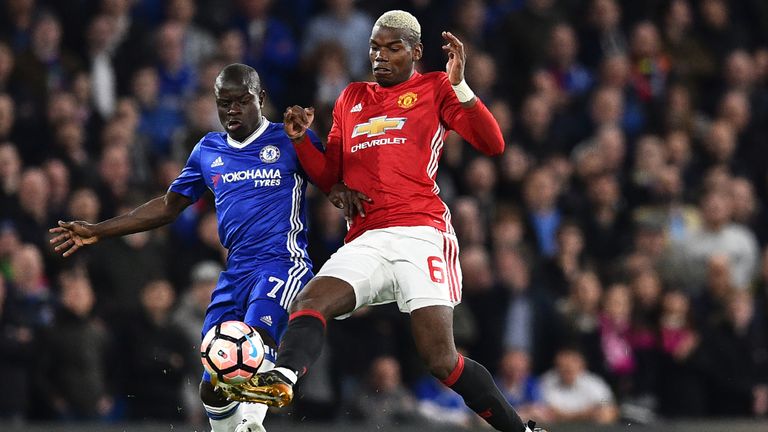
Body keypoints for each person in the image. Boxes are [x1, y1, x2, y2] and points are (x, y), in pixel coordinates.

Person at [227, 10, 545, 432]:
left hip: (422, 233)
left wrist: (460, 85)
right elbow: (330, 175)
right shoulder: (351, 98)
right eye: (375, 47)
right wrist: (302, 140)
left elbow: (493, 143)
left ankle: (520, 430)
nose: (380, 56)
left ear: (416, 52)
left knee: (440, 360)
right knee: (310, 300)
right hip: (366, 236)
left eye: (393, 47)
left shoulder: (435, 88)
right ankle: (281, 380)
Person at [49, 63, 337, 432]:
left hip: (282, 261)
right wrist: (100, 230)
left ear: (261, 99)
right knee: (214, 371)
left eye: (241, 101)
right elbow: (170, 205)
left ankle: (252, 423)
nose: (232, 110)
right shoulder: (208, 150)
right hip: (235, 271)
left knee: (254, 340)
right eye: (224, 102)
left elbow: (331, 179)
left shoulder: (289, 138)